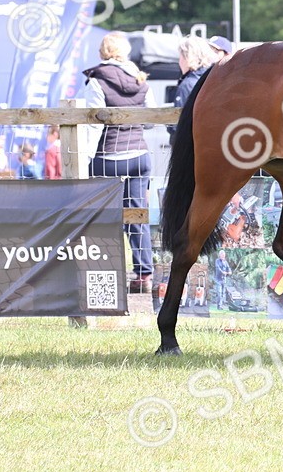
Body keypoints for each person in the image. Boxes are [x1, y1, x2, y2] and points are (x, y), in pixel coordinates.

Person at [83, 32, 156, 293]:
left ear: (103, 53)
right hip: (138, 155)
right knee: (138, 214)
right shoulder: (140, 80)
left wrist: (85, 160)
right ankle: (144, 274)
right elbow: (150, 119)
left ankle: (105, 271)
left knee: (103, 216)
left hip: (107, 157)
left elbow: (93, 126)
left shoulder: (97, 81)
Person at [168, 36, 216, 142]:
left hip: (188, 144)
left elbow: (178, 125)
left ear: (187, 57)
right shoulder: (213, 79)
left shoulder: (187, 84)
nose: (179, 61)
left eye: (180, 56)